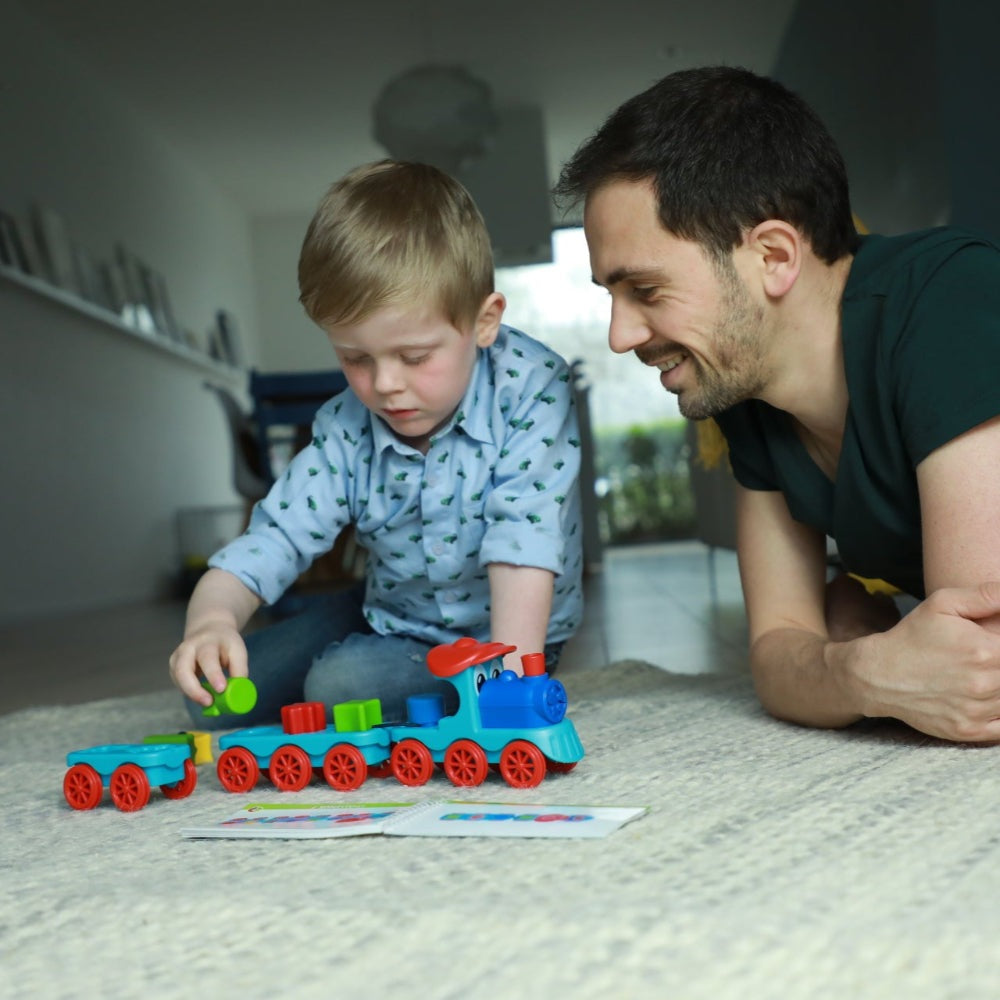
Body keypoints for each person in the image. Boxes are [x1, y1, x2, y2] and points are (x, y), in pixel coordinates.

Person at [555, 65, 1000, 743]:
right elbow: (775, 655)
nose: (620, 337)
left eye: (644, 289)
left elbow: (978, 675)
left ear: (772, 256)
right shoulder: (750, 394)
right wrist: (864, 669)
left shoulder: (952, 303)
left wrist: (845, 643)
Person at [170, 160, 583, 725]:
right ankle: (353, 658)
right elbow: (275, 538)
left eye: (414, 357)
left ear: (484, 322)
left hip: (505, 634)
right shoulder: (344, 426)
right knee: (213, 701)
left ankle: (420, 677)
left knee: (339, 685)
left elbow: (522, 542)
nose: (385, 385)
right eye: (355, 358)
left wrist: (507, 690)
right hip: (392, 611)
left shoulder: (533, 387)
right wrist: (210, 621)